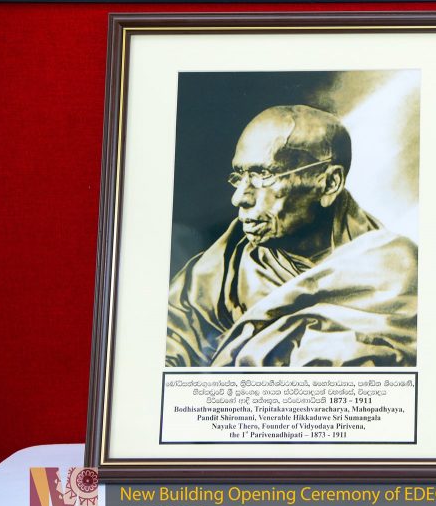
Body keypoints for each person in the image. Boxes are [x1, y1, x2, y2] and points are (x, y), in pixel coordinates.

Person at [165, 105, 418, 367]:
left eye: (263, 175)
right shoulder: (217, 273)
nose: (239, 198)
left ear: (329, 183)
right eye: (239, 177)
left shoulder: (395, 274)